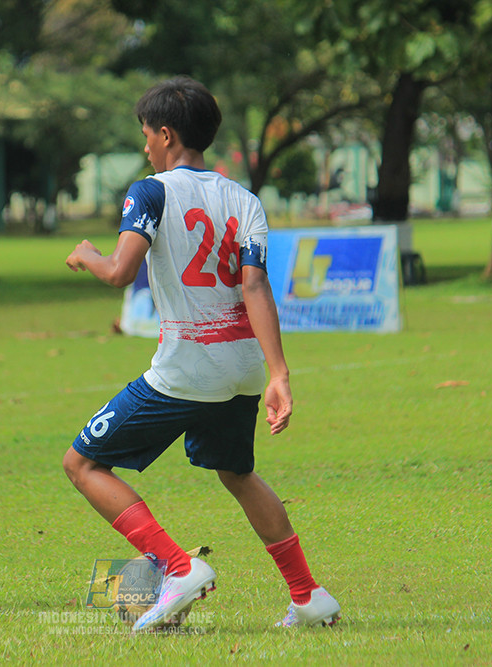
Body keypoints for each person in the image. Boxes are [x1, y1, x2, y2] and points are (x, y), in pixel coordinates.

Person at [63, 77, 341, 632]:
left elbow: (120, 270)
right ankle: (308, 596)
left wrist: (87, 254)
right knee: (238, 473)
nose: (145, 146)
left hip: (186, 368)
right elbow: (255, 288)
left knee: (82, 463)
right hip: (241, 369)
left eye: (146, 135)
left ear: (165, 134)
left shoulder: (151, 191)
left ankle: (178, 567)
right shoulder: (245, 199)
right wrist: (279, 374)